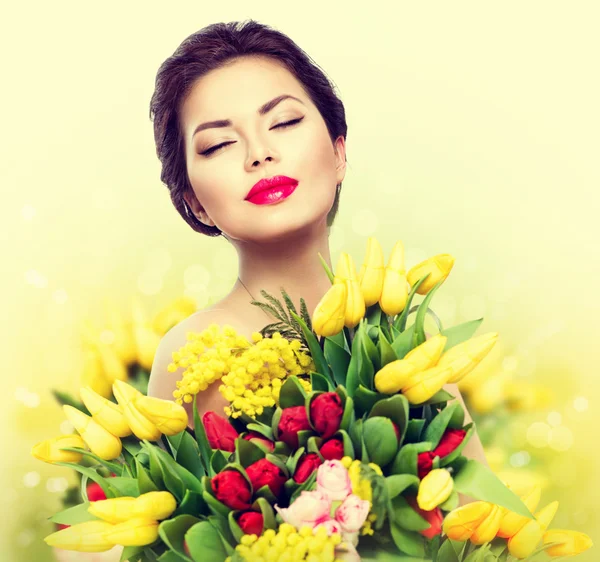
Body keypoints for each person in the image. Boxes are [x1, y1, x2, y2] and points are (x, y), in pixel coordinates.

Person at [146, 19, 489, 472]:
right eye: (218, 144)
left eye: (284, 121)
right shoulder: (193, 354)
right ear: (194, 203)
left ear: (339, 152)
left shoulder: (399, 331)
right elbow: (170, 534)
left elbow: (480, 516)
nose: (260, 153)